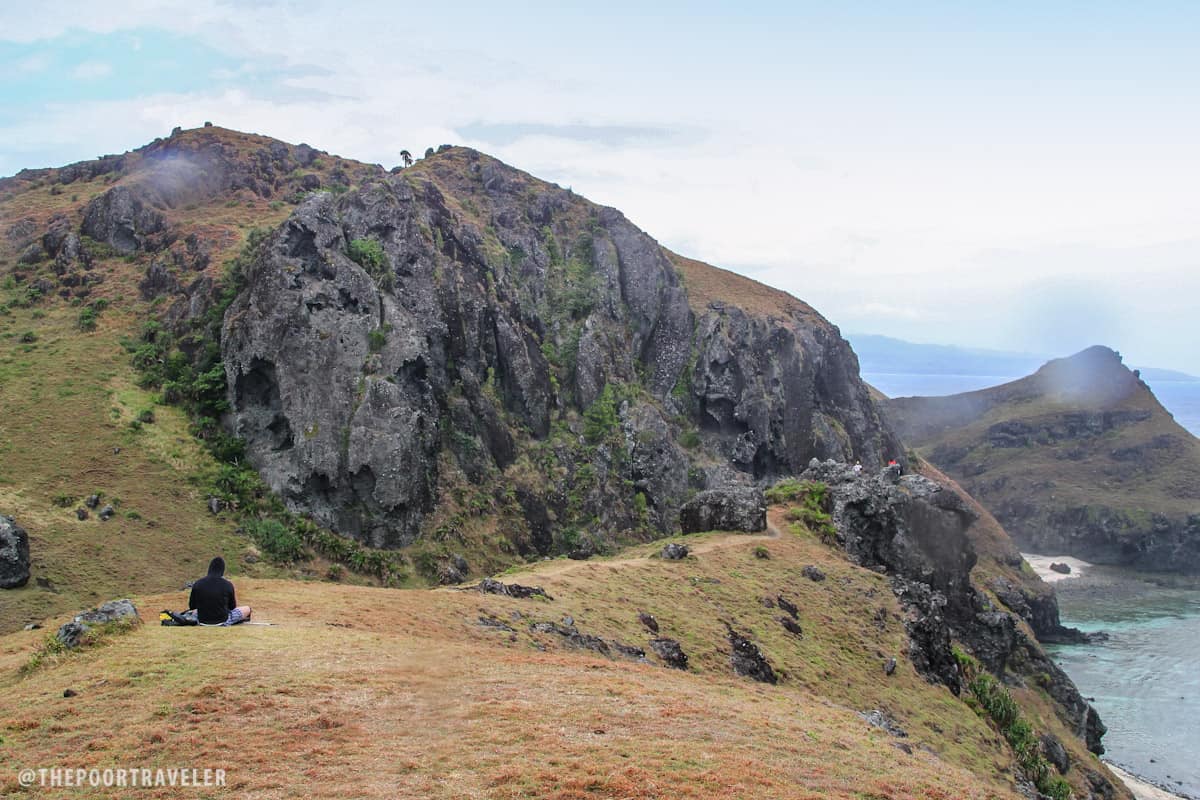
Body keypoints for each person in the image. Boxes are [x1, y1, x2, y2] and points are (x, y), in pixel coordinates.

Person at [188, 557, 252, 626]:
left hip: (202, 621)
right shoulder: (228, 584)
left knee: (195, 612)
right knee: (247, 609)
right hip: (222, 621)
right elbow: (232, 607)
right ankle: (235, 620)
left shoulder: (197, 583)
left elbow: (192, 606)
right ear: (222, 570)